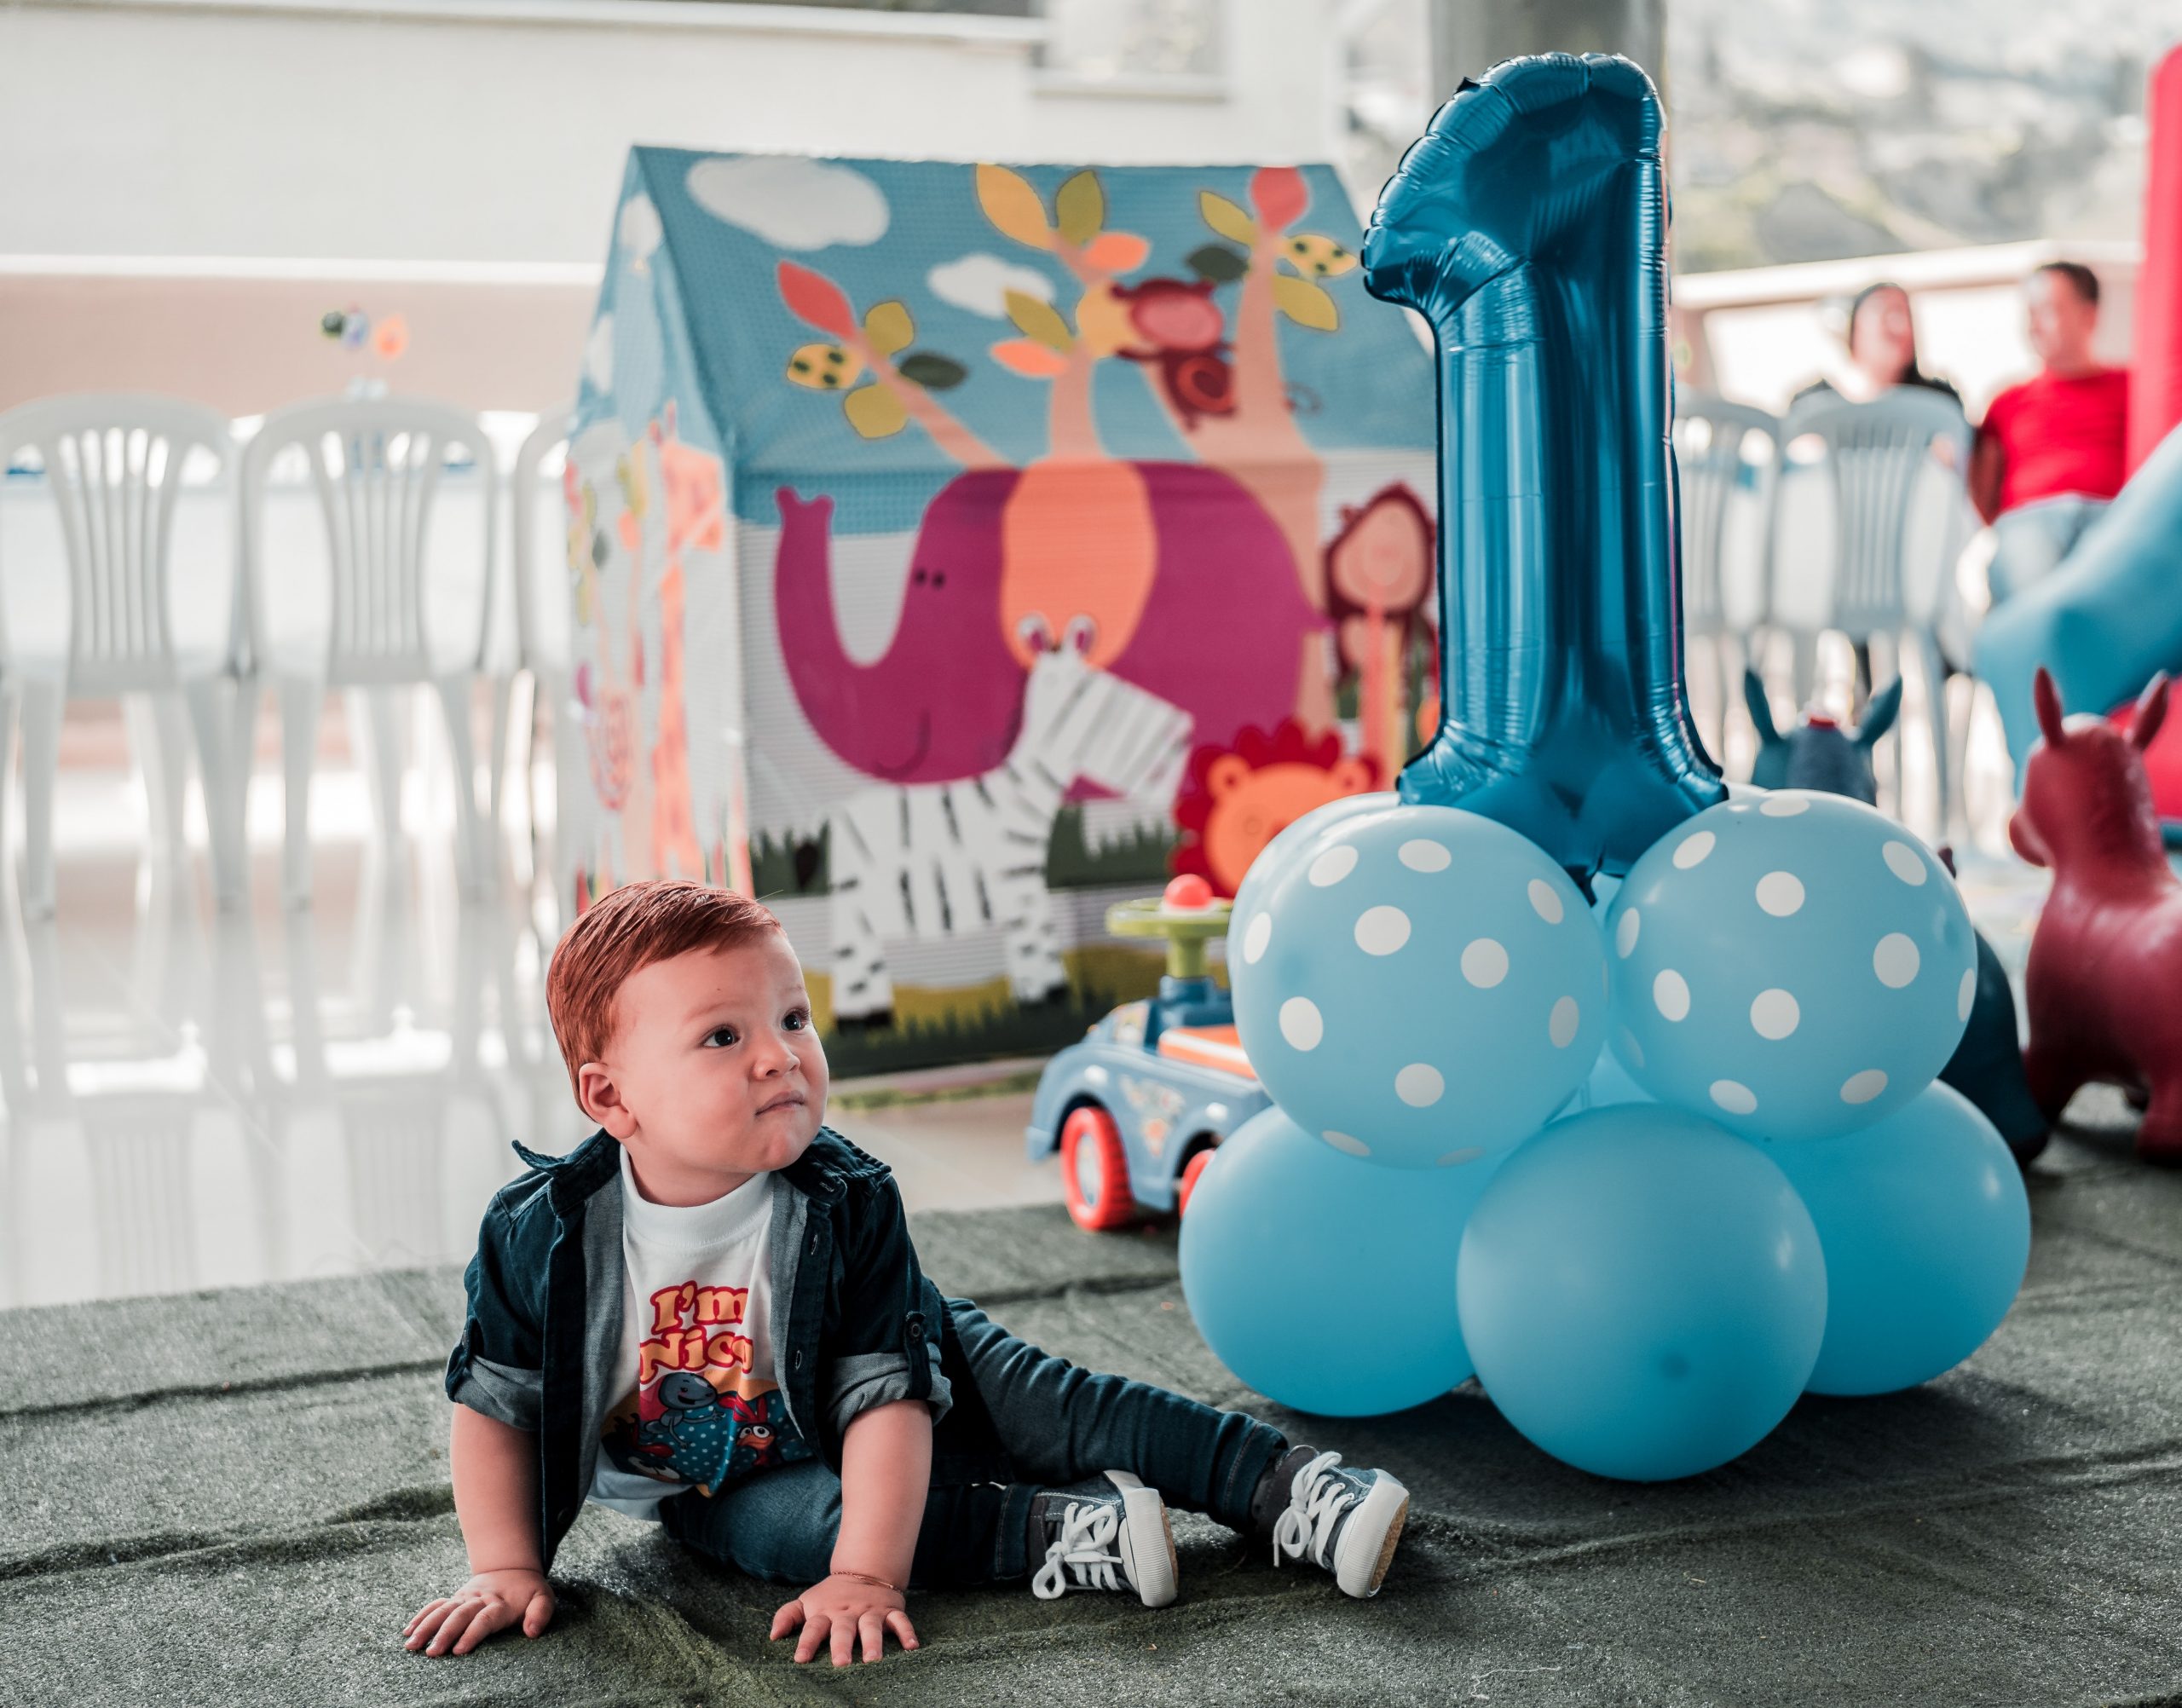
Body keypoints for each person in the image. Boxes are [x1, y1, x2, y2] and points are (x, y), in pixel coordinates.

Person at [403, 880, 1411, 1666]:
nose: (778, 1057)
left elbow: (888, 1399)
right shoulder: (542, 1234)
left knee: (1061, 1413)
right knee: (800, 1535)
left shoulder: (846, 1199)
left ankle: (1282, 1485)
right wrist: (505, 1564)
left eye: (792, 1019)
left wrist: (870, 1581)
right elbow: (497, 1404)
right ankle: (1058, 1531)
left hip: (906, 1362)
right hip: (711, 1475)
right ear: (609, 1098)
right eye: (723, 1036)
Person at [1970, 261, 2132, 605]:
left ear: (2088, 316)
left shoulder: (2132, 388)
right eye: (2029, 313)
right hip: (2031, 525)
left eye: (2047, 311)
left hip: (2113, 521)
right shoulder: (2006, 402)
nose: (2034, 326)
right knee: (2033, 575)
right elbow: (1984, 495)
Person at [1791, 281, 1965, 413]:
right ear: (1855, 327)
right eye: (1886, 313)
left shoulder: (1939, 401)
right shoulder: (1814, 404)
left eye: (1906, 315)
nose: (1901, 326)